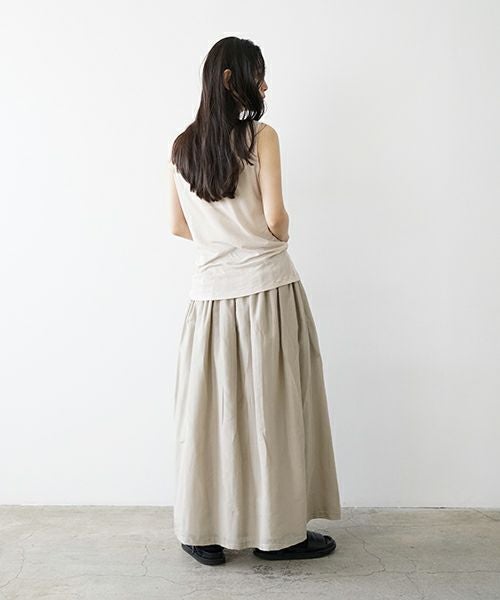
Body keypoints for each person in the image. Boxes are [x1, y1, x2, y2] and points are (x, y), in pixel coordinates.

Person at [167, 36, 341, 566]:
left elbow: (177, 225)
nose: (264, 85)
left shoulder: (181, 147)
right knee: (275, 413)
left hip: (210, 302)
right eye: (257, 73)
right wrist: (270, 236)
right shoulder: (261, 137)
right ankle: (278, 535)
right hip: (267, 292)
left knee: (209, 417)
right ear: (230, 79)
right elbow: (276, 218)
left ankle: (203, 532)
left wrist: (220, 239)